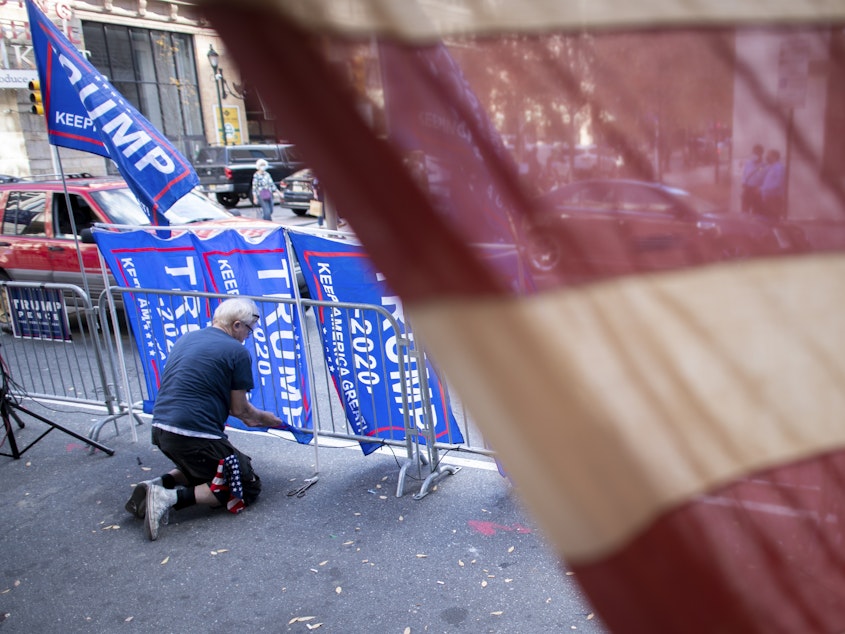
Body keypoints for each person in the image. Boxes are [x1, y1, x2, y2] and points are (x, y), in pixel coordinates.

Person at [124, 297, 284, 541]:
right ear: (237, 325)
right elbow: (242, 412)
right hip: (193, 434)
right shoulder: (236, 352)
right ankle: (167, 498)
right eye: (249, 330)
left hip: (161, 430)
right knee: (244, 484)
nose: (248, 337)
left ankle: (158, 483)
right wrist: (270, 419)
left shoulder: (188, 338)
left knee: (210, 466)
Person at [759, 148, 786, 220]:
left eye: (768, 156)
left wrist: (762, 189)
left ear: (774, 157)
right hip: (767, 198)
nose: (766, 158)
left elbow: (778, 184)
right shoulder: (769, 167)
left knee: (773, 219)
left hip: (774, 198)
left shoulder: (779, 168)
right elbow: (761, 173)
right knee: (767, 218)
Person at [740, 144, 765, 213]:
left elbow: (763, 178)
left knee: (756, 210)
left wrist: (760, 188)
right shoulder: (748, 163)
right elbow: (744, 174)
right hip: (747, 189)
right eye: (754, 153)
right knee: (745, 209)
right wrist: (743, 182)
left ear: (761, 153)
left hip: (756, 190)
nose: (755, 155)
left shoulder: (763, 165)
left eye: (757, 153)